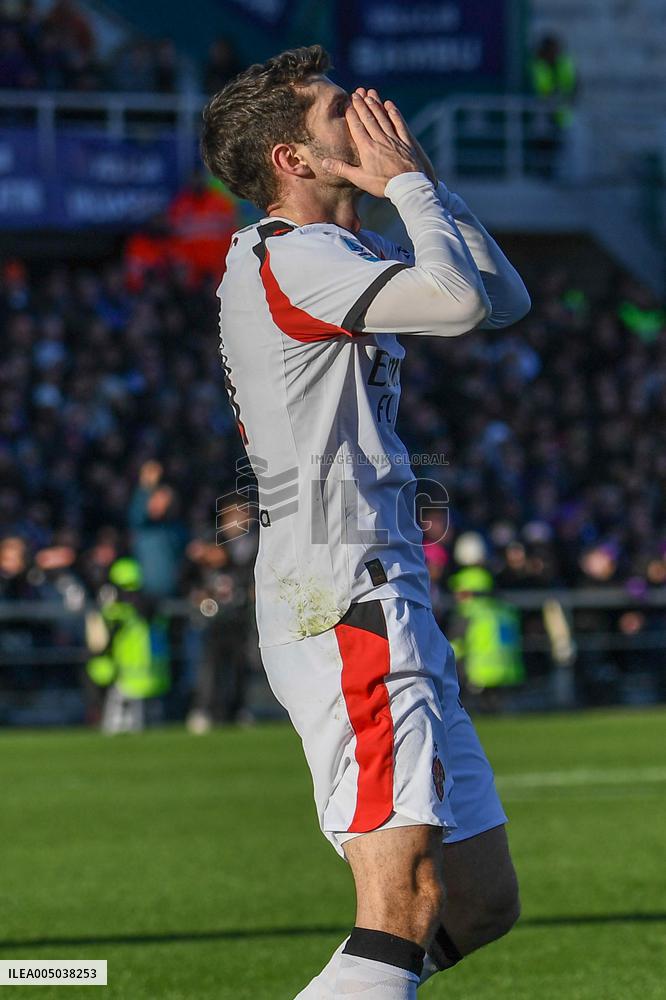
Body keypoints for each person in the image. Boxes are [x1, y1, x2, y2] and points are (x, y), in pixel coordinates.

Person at [213, 43, 532, 998]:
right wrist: (407, 190)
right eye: (336, 116)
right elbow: (466, 302)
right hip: (346, 591)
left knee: (480, 904)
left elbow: (502, 299)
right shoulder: (293, 253)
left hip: (375, 588)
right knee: (400, 907)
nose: (367, 124)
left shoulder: (333, 252)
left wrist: (419, 185)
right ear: (292, 161)